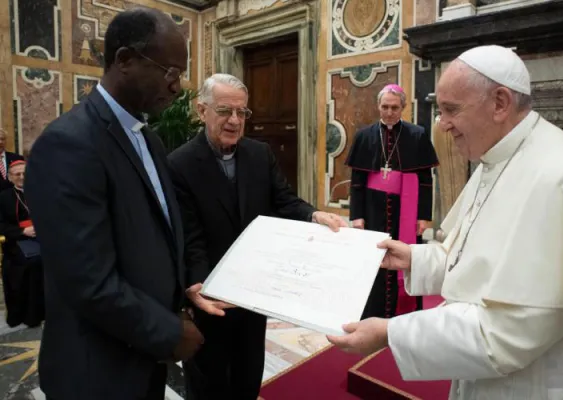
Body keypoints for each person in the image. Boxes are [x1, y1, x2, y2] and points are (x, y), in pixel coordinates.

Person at [327, 45, 563, 399]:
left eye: (451, 110)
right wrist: (414, 257)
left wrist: (390, 333)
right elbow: (472, 257)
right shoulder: (496, 159)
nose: (441, 124)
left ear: (500, 103)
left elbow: (504, 336)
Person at [25, 8, 204, 400]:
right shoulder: (70, 144)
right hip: (98, 371)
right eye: (169, 72)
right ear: (125, 60)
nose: (176, 88)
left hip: (142, 357)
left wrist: (182, 292)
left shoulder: (149, 139)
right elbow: (88, 281)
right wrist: (169, 332)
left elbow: (155, 236)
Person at [168, 73, 348, 400]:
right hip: (211, 294)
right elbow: (189, 234)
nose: (235, 120)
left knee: (248, 376)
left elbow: (284, 200)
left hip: (255, 290)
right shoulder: (179, 164)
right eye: (224, 111)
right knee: (209, 383)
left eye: (242, 112)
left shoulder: (259, 154)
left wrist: (313, 214)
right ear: (201, 110)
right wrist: (197, 285)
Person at [345, 84, 438, 319]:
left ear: (403, 108)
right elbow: (357, 181)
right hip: (372, 208)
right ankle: (372, 312)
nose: (389, 112)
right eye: (385, 107)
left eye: (394, 107)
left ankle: (406, 312)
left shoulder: (416, 134)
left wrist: (423, 216)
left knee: (406, 257)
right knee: (373, 259)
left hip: (405, 209)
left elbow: (425, 180)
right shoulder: (364, 135)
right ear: (378, 106)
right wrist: (357, 215)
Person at [0, 160, 44, 328]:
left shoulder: (41, 193)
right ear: (10, 178)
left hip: (43, 239)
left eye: (25, 173)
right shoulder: (4, 198)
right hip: (17, 242)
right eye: (17, 174)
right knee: (31, 263)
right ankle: (29, 316)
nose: (21, 177)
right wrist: (22, 232)